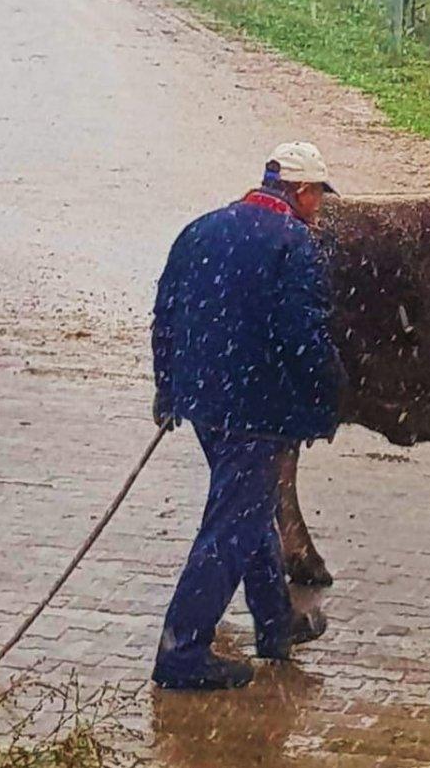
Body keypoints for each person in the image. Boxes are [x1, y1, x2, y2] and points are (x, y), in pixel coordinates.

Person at [150, 141, 342, 690]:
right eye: (318, 196)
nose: (320, 207)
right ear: (301, 192)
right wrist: (328, 400)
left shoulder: (201, 229)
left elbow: (165, 316)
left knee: (250, 511)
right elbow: (303, 336)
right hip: (256, 412)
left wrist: (169, 389)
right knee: (230, 529)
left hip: (205, 404)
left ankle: (276, 626)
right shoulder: (294, 244)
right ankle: (182, 653)